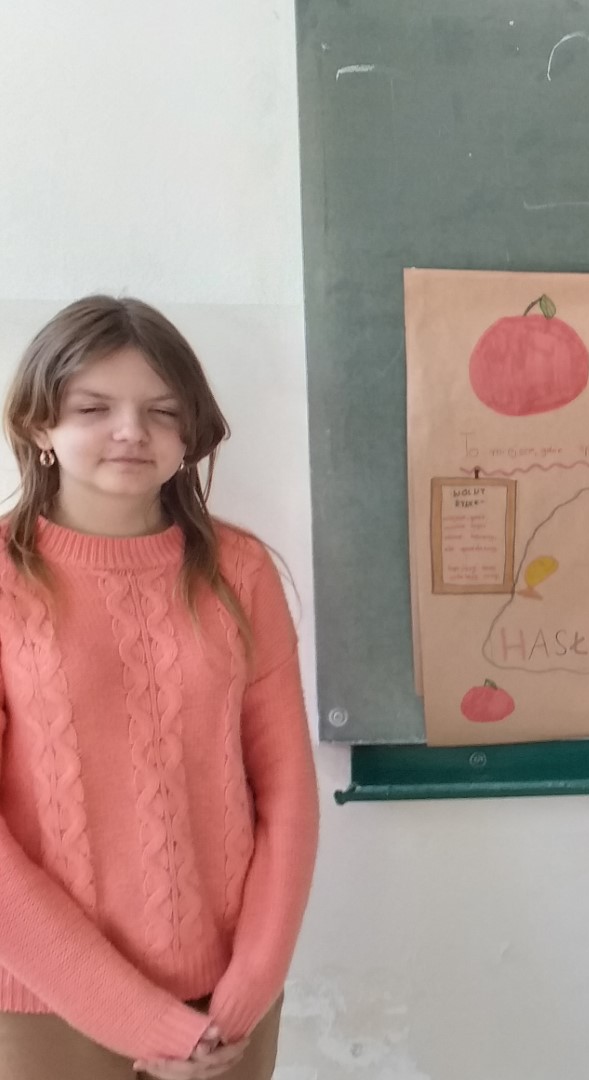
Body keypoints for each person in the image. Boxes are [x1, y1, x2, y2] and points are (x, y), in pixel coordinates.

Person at [0, 296, 319, 1080]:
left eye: (162, 411)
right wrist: (140, 1021)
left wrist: (245, 993)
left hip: (226, 1009)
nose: (131, 431)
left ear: (190, 433)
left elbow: (287, 793)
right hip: (44, 1004)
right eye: (94, 408)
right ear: (39, 425)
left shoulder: (240, 572)